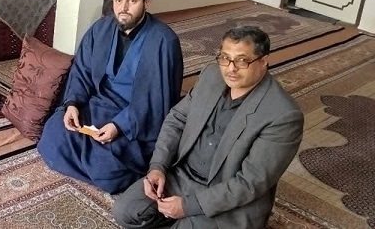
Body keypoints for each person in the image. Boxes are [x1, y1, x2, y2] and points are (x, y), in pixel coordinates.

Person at [113, 26, 304, 229]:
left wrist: (187, 206)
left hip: (228, 198)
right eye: (225, 58)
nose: (231, 68)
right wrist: (158, 167)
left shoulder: (283, 115)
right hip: (182, 176)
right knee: (125, 212)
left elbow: (250, 183)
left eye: (242, 61)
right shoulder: (211, 75)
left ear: (264, 61)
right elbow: (177, 119)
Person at [37, 0, 184, 194]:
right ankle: (90, 165)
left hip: (134, 117)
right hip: (97, 105)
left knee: (109, 167)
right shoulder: (100, 29)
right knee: (53, 132)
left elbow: (156, 99)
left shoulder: (163, 41)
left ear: (146, 2)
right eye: (118, 0)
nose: (123, 8)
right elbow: (82, 71)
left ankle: (101, 169)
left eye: (132, 1)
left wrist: (119, 126)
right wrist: (72, 104)